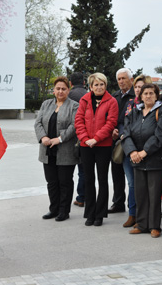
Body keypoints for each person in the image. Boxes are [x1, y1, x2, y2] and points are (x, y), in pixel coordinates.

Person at [122, 83, 162, 238]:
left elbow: (161, 135)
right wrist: (132, 152)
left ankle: (155, 226)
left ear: (157, 96)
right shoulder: (134, 112)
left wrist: (144, 152)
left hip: (155, 160)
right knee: (140, 193)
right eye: (145, 93)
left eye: (151, 93)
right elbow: (126, 133)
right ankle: (142, 224)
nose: (148, 96)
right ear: (140, 96)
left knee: (154, 194)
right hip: (136, 159)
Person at [75, 73, 118, 227]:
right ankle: (90, 213)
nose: (99, 87)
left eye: (102, 84)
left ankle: (100, 214)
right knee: (88, 179)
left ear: (106, 85)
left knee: (102, 180)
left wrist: (96, 138)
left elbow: (111, 123)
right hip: (86, 145)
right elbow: (78, 120)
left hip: (103, 146)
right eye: (96, 85)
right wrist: (85, 138)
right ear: (91, 86)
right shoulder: (84, 100)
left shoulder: (111, 101)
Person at [35, 76, 79, 222]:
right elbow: (38, 123)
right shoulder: (46, 104)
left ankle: (64, 211)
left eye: (63, 89)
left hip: (65, 149)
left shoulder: (74, 106)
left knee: (65, 182)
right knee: (52, 182)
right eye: (58, 89)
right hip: (47, 150)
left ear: (68, 90)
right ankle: (53, 209)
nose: (60, 91)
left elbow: (74, 126)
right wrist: (43, 138)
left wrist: (59, 138)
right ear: (53, 90)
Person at [110, 68, 135, 214]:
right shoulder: (115, 96)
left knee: (131, 176)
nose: (121, 81)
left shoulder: (135, 96)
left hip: (130, 140)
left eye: (124, 78)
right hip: (115, 140)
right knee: (116, 173)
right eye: (119, 79)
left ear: (131, 80)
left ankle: (133, 206)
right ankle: (118, 202)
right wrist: (112, 129)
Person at [68, 72, 87, 208]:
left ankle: (66, 198)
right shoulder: (88, 95)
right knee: (83, 170)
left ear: (70, 83)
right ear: (84, 83)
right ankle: (82, 197)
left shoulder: (68, 96)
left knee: (67, 171)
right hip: (85, 137)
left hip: (70, 138)